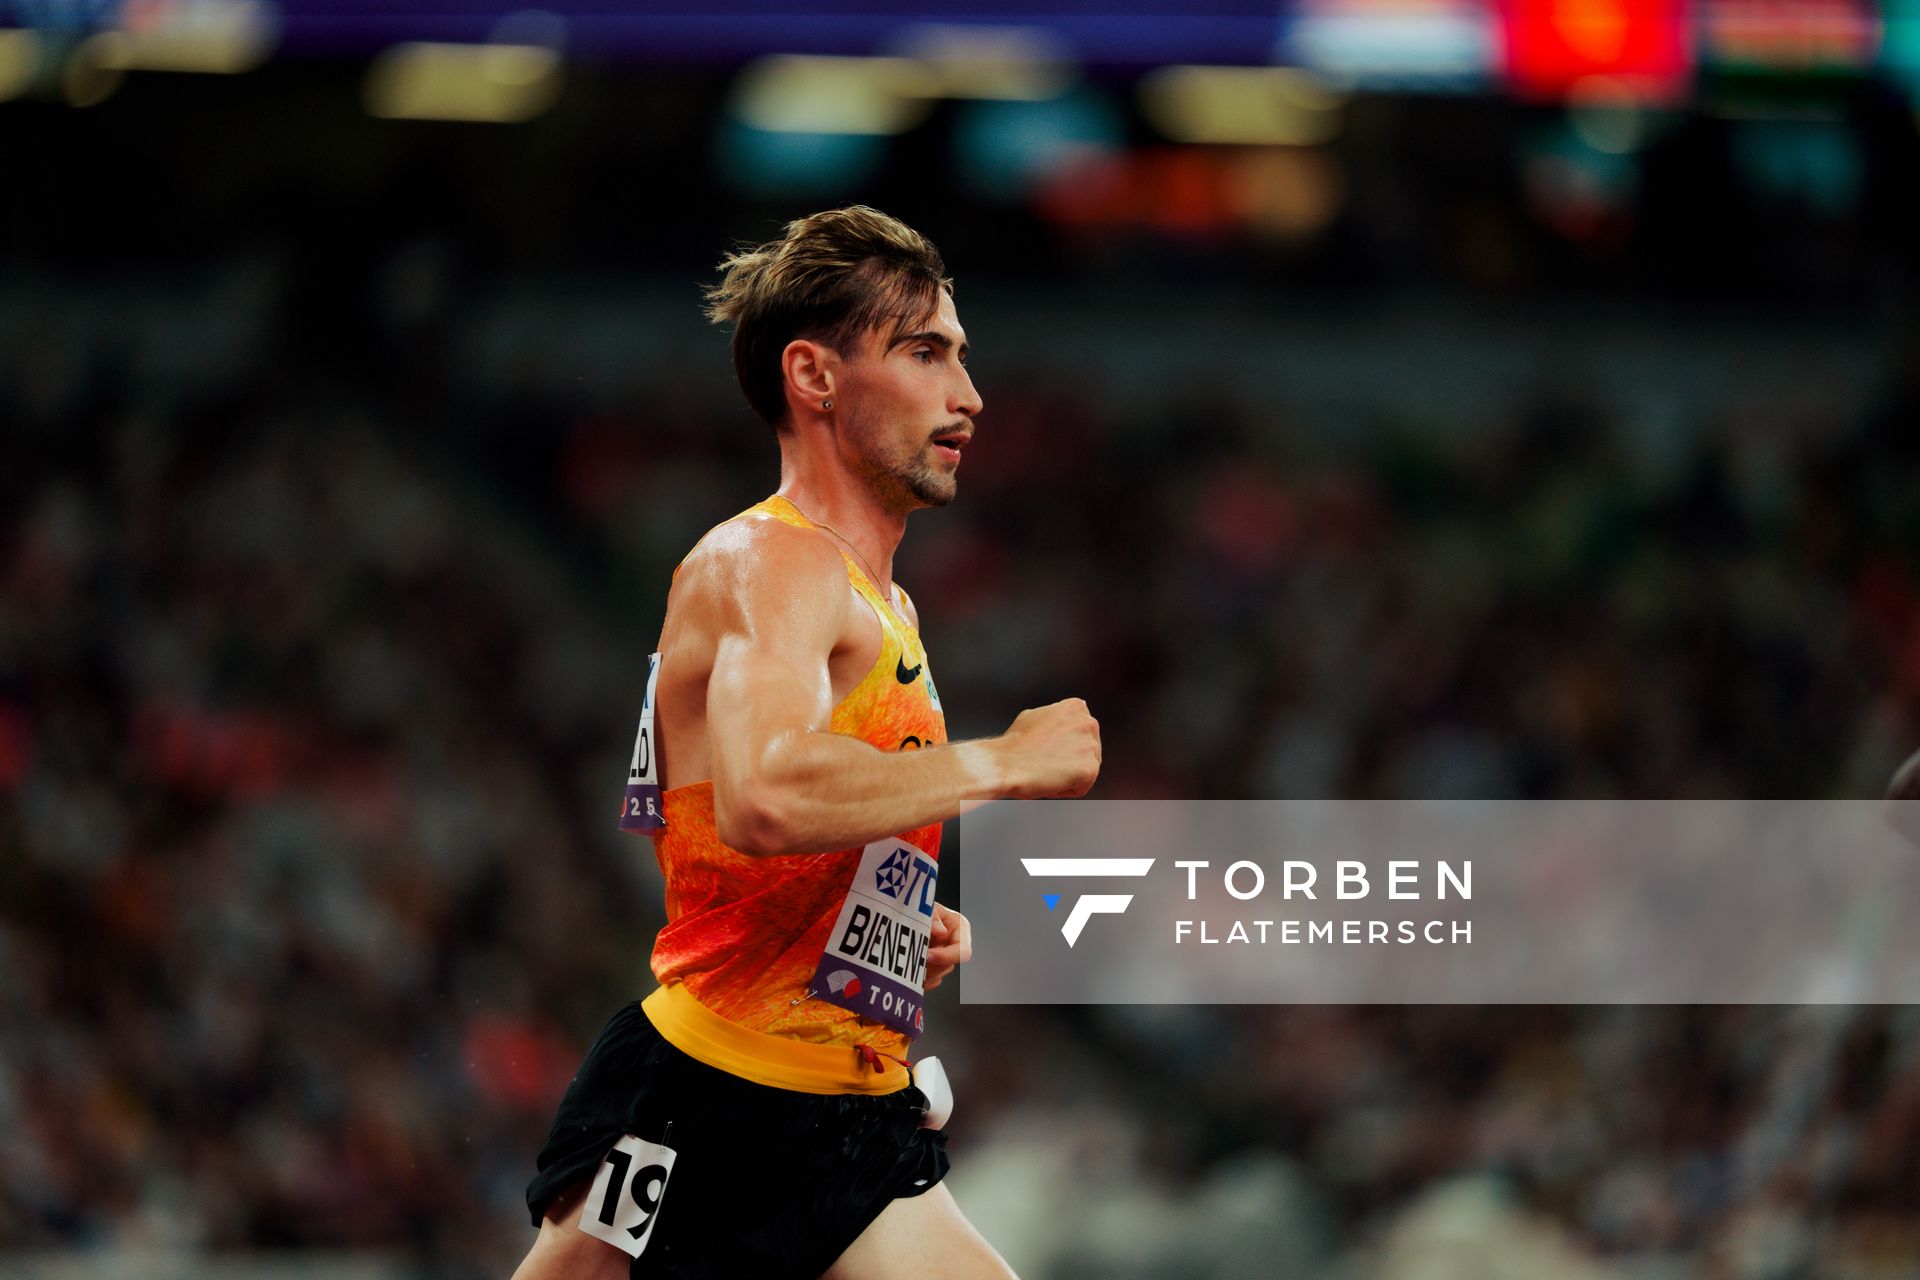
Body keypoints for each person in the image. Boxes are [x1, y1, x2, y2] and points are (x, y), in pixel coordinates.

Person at [510, 206, 1102, 1280]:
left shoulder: (887, 605)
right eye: (925, 352)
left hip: (843, 1115)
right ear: (814, 376)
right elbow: (765, 793)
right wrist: (1000, 760)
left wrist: (875, 908)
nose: (967, 394)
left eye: (960, 358)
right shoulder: (765, 562)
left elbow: (746, 843)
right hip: (706, 1096)